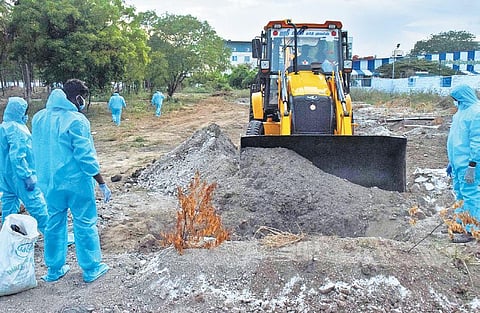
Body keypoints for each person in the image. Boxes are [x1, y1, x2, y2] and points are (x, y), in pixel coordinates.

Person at [31, 78, 112, 283]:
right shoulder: (76, 121)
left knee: (54, 223)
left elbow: (37, 149)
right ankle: (92, 268)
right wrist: (101, 181)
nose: (82, 102)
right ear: (77, 97)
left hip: (49, 183)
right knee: (84, 222)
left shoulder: (39, 118)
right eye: (82, 98)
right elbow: (85, 156)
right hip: (76, 182)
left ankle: (54, 269)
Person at [0, 97, 48, 234]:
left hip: (6, 177)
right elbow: (17, 156)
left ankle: (8, 237)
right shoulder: (17, 129)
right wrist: (26, 175)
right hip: (20, 177)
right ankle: (54, 237)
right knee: (38, 206)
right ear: (21, 112)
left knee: (9, 209)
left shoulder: (3, 127)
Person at [446, 84, 480, 243]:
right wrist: (451, 161)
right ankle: (460, 225)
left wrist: (473, 165)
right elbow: (455, 139)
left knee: (470, 195)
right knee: (459, 193)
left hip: (469, 164)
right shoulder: (460, 113)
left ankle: (473, 230)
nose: (455, 102)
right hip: (458, 162)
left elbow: (477, 142)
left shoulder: (476, 112)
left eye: (457, 98)